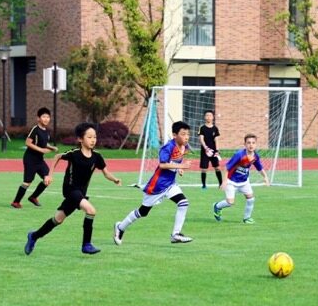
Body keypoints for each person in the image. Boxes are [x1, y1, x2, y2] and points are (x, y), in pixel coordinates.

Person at [24, 122, 122, 255]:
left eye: (94, 137)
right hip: (70, 190)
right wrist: (49, 175)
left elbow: (106, 172)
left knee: (57, 219)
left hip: (80, 193)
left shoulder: (97, 157)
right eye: (89, 137)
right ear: (80, 139)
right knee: (91, 211)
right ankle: (86, 244)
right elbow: (57, 157)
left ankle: (34, 236)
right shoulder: (74, 153)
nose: (93, 140)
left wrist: (115, 179)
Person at [113, 121, 193, 245]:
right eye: (183, 134)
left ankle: (176, 234)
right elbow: (162, 164)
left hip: (171, 184)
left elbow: (174, 162)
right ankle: (120, 227)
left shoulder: (184, 147)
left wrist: (179, 168)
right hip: (157, 185)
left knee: (183, 203)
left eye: (188, 134)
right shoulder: (167, 147)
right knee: (143, 212)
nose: (186, 137)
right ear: (174, 135)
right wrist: (182, 165)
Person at [212, 133, 270, 224]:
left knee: (250, 198)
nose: (251, 145)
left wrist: (265, 177)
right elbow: (226, 168)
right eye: (249, 143)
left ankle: (247, 218)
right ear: (245, 144)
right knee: (230, 202)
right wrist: (224, 182)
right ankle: (217, 206)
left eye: (253, 143)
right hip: (231, 181)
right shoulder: (239, 155)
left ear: (256, 144)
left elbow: (259, 168)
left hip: (244, 181)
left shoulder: (255, 156)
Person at [11, 107, 58, 209]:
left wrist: (51, 147)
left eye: (48, 117)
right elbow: (28, 143)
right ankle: (16, 202)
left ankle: (33, 197)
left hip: (39, 160)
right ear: (38, 118)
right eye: (44, 117)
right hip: (30, 159)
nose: (46, 119)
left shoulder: (46, 131)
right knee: (27, 182)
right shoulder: (35, 129)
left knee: (48, 179)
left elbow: (44, 143)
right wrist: (42, 150)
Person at [198, 110, 222, 189]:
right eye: (207, 115)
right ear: (205, 117)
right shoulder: (202, 128)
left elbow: (217, 140)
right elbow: (201, 139)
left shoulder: (215, 128)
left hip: (214, 152)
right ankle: (204, 185)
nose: (208, 117)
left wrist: (217, 150)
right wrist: (206, 148)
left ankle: (221, 184)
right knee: (204, 169)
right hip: (205, 151)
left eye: (210, 115)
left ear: (213, 117)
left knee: (217, 167)